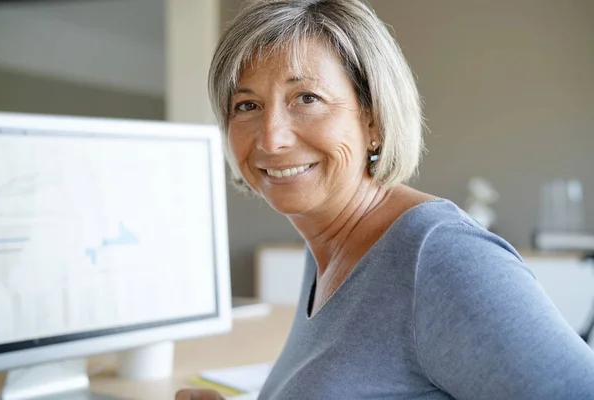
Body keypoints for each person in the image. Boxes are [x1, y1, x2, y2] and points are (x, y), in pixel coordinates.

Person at [177, 0, 594, 399]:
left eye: (307, 99)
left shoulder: (441, 258)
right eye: (247, 105)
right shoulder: (325, 247)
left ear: (373, 119)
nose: (271, 137)